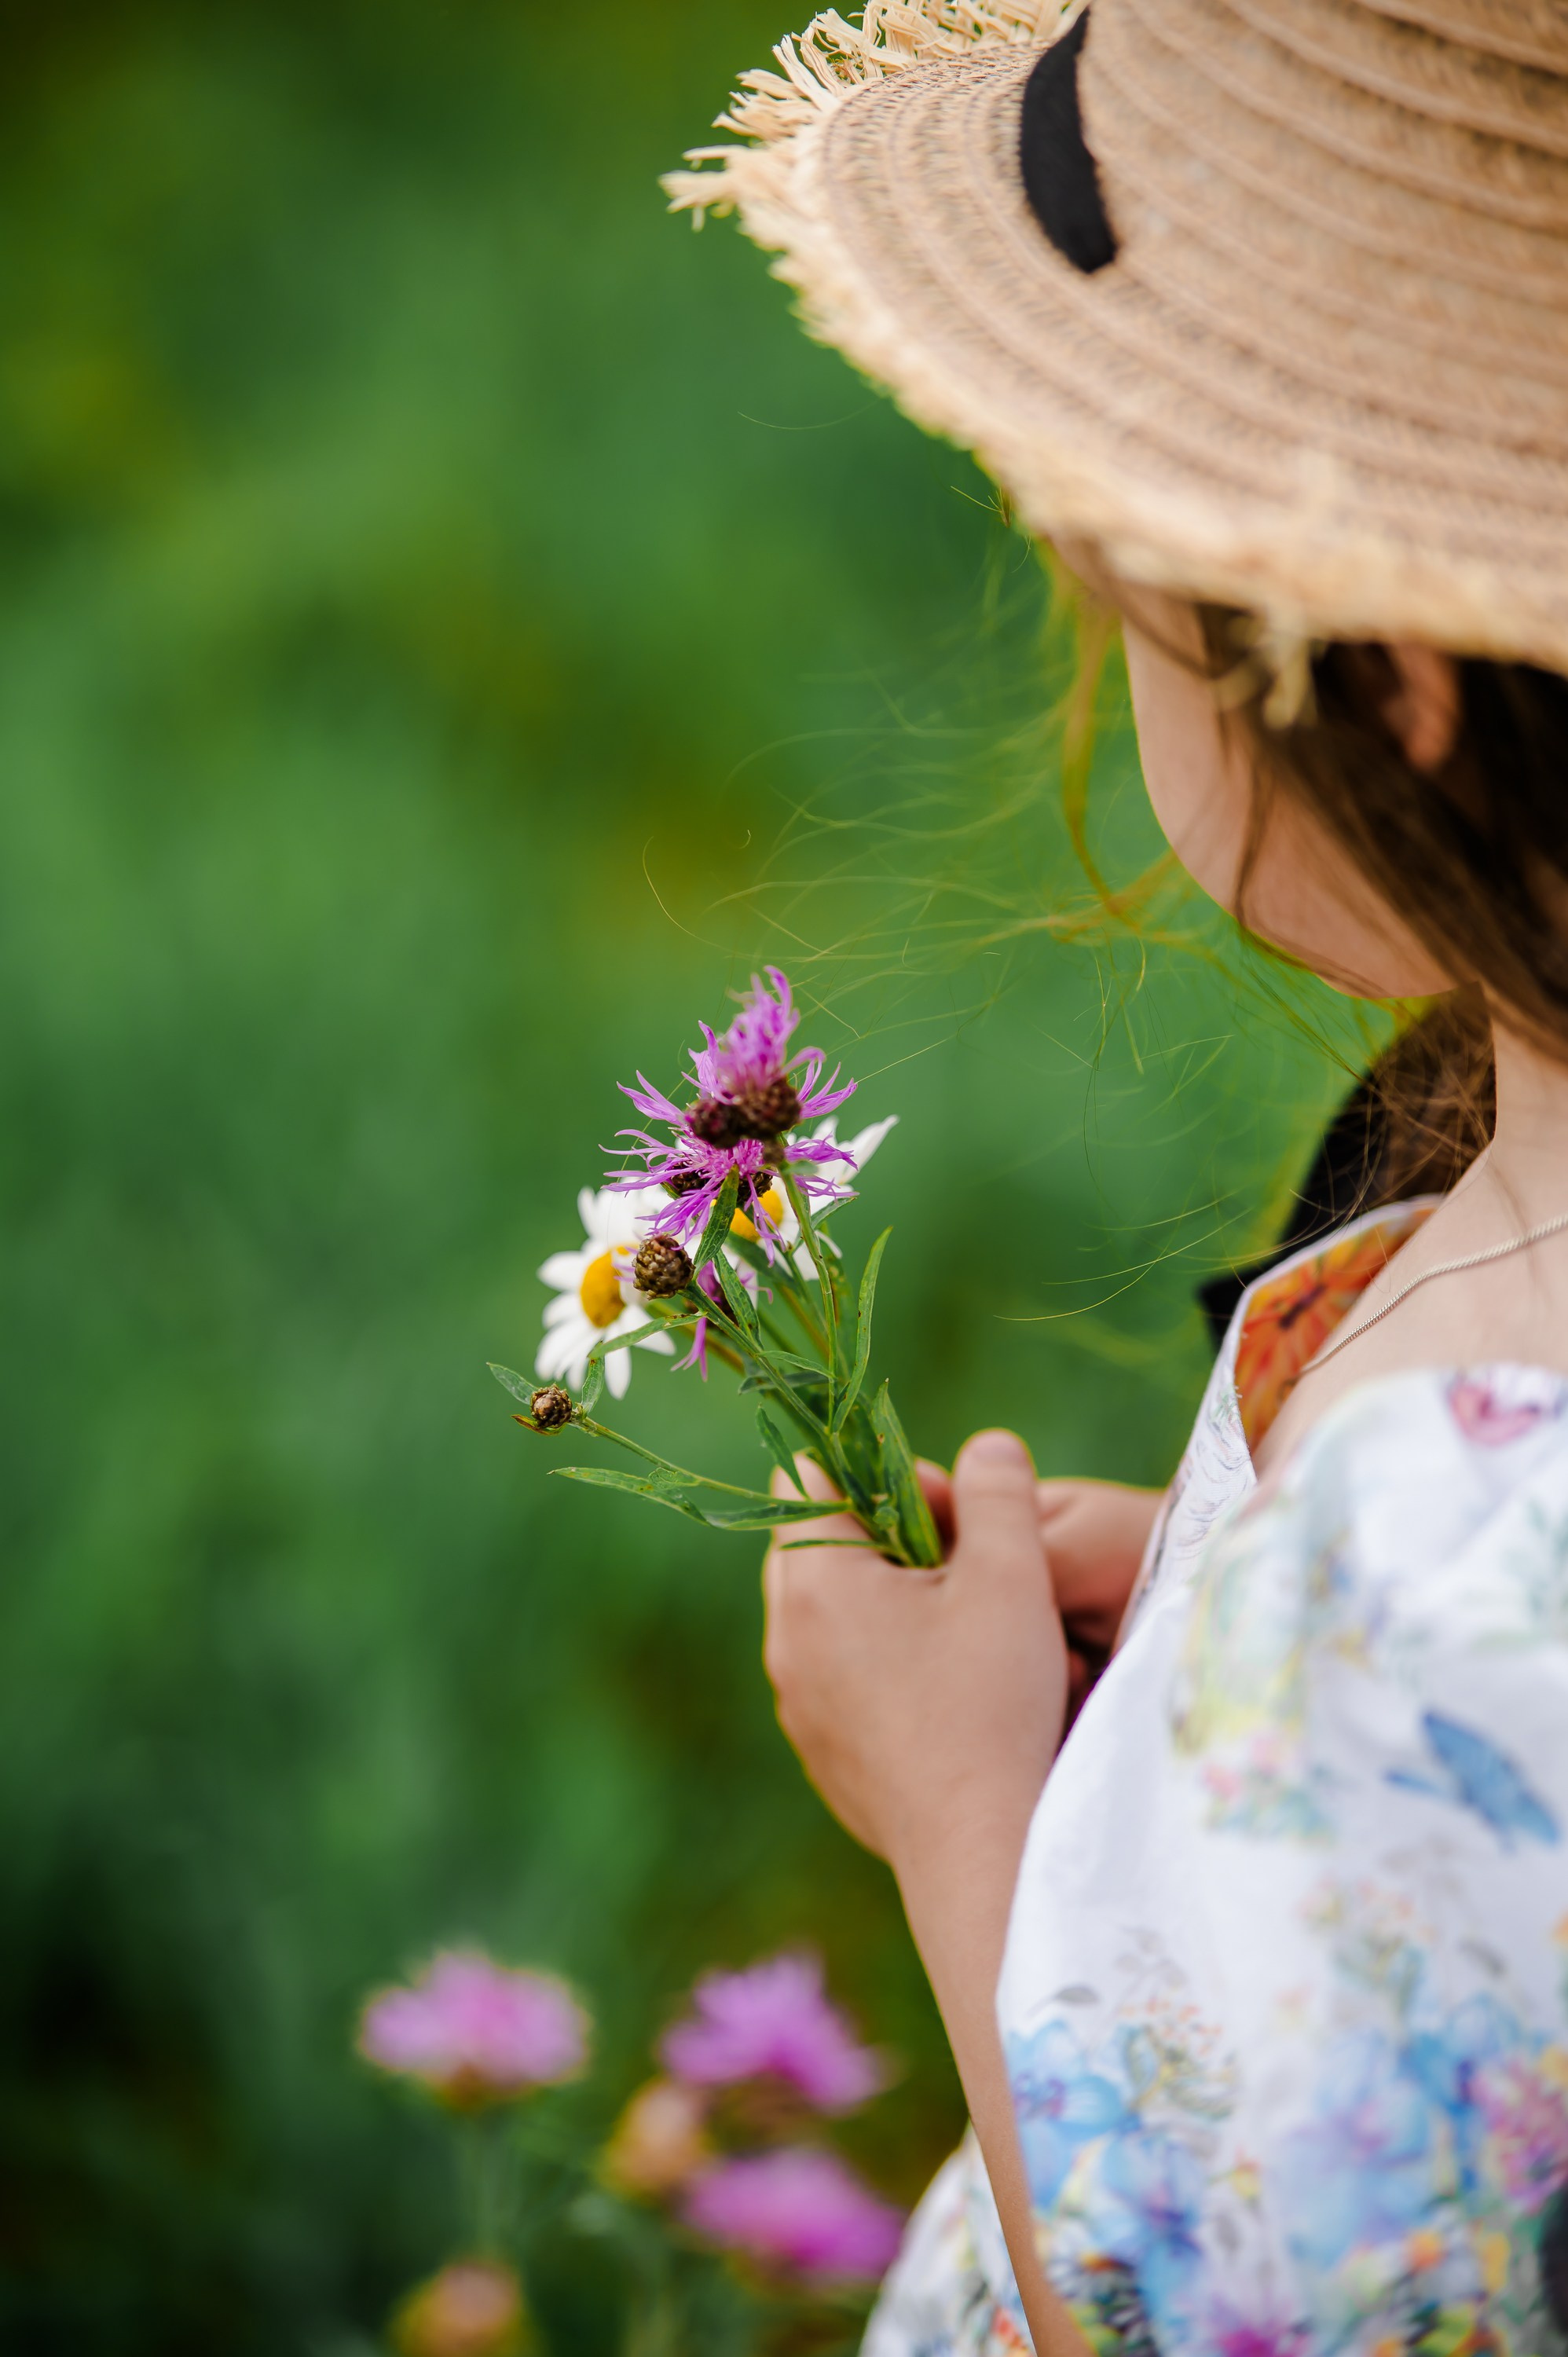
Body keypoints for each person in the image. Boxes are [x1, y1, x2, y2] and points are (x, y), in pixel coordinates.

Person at [667, 3, 1568, 2350]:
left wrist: (966, 1811)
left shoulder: (1448, 1578)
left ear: (1380, 671)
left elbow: (1204, 2312)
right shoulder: (1477, 1342)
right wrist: (1220, 1651)